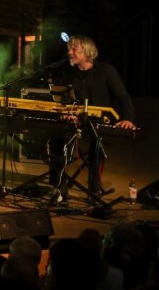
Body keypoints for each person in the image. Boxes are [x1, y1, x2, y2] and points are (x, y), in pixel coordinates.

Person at [47, 34, 138, 201]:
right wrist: (65, 113)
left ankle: (94, 189)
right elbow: (61, 99)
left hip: (97, 121)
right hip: (73, 120)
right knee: (56, 138)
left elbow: (124, 98)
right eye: (69, 49)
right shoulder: (67, 72)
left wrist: (128, 118)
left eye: (75, 49)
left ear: (87, 51)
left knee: (96, 146)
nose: (70, 52)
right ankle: (59, 186)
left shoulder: (106, 70)